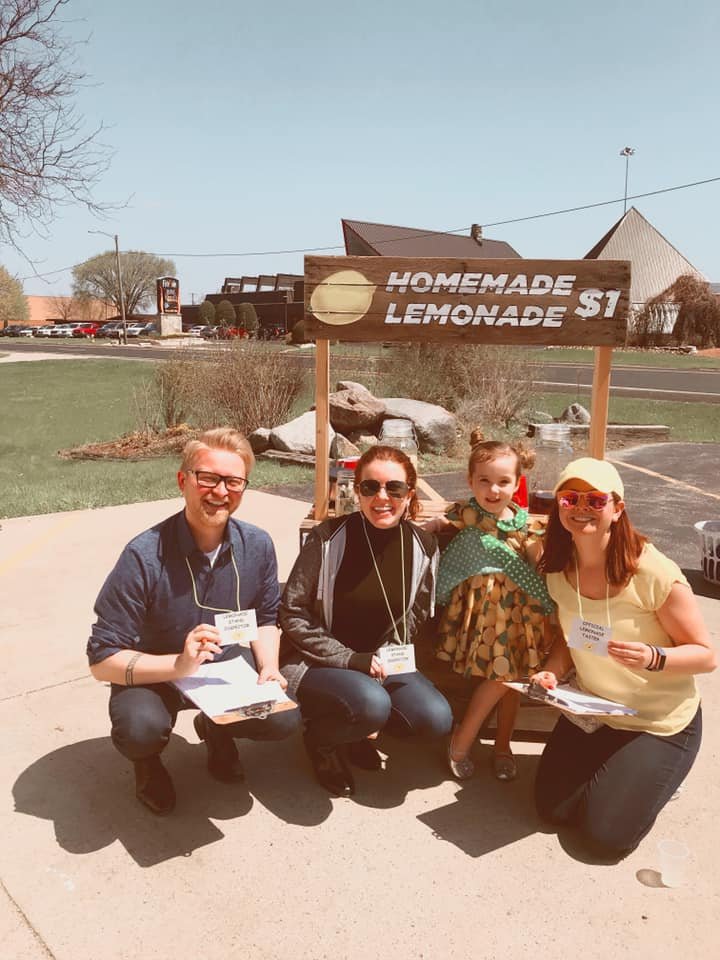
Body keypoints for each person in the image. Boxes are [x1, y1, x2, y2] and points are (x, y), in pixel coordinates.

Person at [86, 428, 300, 815]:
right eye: (208, 478)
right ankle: (148, 764)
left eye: (233, 481)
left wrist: (268, 667)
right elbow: (102, 660)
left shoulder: (258, 545)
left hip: (225, 672)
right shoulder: (144, 555)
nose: (220, 492)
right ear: (183, 480)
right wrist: (179, 665)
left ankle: (216, 729)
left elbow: (266, 618)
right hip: (159, 671)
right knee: (140, 730)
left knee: (282, 721)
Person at [532, 457, 716, 859]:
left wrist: (654, 657)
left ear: (617, 508)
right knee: (553, 810)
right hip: (595, 711)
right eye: (570, 498)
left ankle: (659, 774)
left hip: (657, 721)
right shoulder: (559, 567)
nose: (581, 508)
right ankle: (625, 773)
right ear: (558, 505)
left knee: (603, 839)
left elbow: (706, 656)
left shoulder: (652, 572)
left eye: (595, 500)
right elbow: (568, 638)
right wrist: (551, 671)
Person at [278, 445, 453, 797]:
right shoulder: (327, 539)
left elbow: (416, 613)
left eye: (394, 488)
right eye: (370, 487)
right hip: (318, 662)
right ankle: (322, 742)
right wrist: (350, 659)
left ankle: (356, 727)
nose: (382, 497)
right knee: (372, 704)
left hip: (381, 662)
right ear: (357, 491)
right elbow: (292, 612)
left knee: (435, 718)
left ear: (410, 494)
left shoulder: (424, 546)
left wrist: (387, 656)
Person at [428, 432, 555, 781]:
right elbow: (438, 524)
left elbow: (538, 562)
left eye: (503, 482)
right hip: (479, 613)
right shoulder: (468, 513)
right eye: (484, 481)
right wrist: (420, 529)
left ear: (517, 484)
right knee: (505, 677)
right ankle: (465, 740)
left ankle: (500, 745)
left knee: (512, 680)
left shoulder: (524, 523)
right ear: (471, 481)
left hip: (516, 616)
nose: (493, 490)